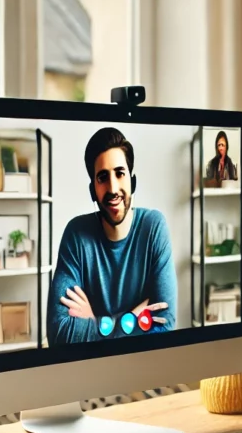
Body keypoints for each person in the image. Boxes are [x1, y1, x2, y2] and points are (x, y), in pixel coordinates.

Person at [47, 127, 177, 345]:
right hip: (92, 372)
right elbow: (59, 334)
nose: (113, 187)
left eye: (120, 173)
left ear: (132, 181)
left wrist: (93, 321)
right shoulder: (76, 235)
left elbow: (164, 326)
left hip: (144, 370)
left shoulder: (154, 227)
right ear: (92, 190)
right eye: (102, 177)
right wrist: (130, 319)